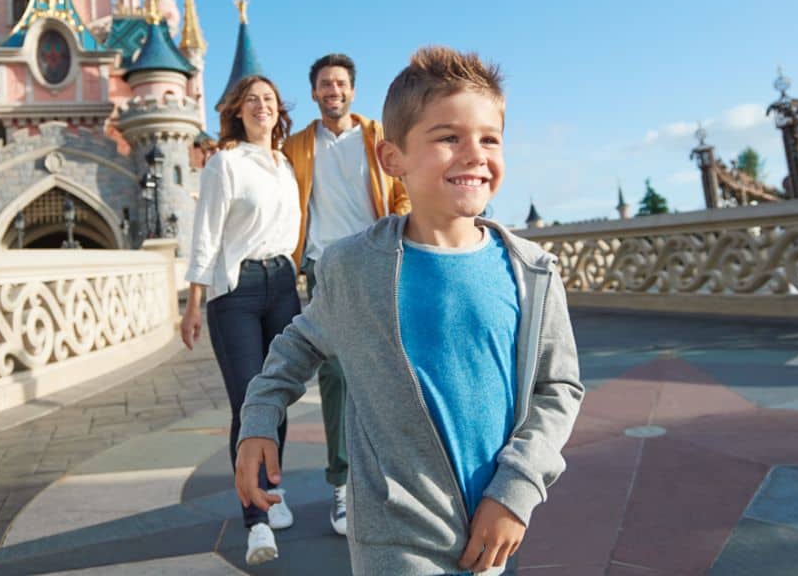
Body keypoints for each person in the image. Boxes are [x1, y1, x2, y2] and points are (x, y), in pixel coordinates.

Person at [233, 47, 584, 574]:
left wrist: (517, 488)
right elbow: (299, 342)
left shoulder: (532, 271)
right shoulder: (354, 268)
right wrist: (259, 416)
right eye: (448, 138)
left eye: (490, 138)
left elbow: (559, 387)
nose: (474, 154)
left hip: (493, 527)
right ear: (392, 159)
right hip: (393, 534)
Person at [282, 52, 411, 536]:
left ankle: (393, 477)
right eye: (324, 84)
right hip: (324, 267)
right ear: (314, 93)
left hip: (375, 258)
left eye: (340, 83)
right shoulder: (297, 146)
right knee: (335, 373)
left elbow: (402, 190)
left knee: (390, 367)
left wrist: (394, 228)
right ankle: (342, 482)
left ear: (352, 90)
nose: (332, 91)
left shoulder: (379, 137)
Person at [179, 75, 300, 566]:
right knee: (249, 403)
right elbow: (205, 236)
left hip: (283, 286)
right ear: (237, 111)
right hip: (238, 292)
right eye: (252, 100)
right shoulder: (225, 164)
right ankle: (256, 524)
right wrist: (193, 303)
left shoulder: (286, 165)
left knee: (278, 399)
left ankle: (271, 486)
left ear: (277, 111)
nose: (261, 106)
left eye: (268, 99)